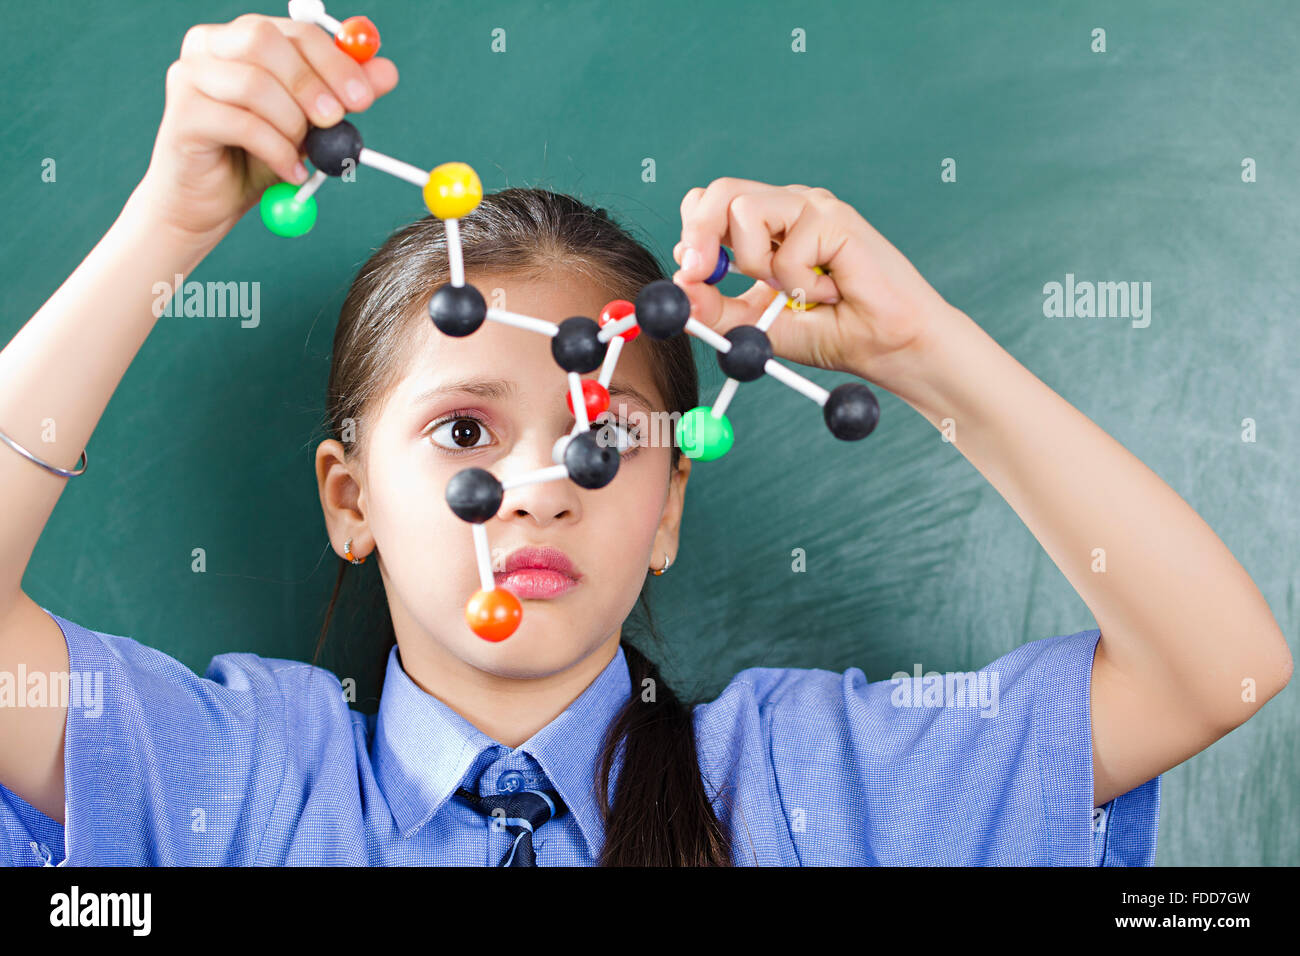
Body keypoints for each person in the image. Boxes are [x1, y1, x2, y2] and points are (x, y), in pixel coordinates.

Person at [0, 13, 1289, 867]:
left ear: (668, 507)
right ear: (350, 499)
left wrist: (923, 352)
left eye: (605, 438)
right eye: (461, 428)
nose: (542, 490)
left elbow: (1217, 669)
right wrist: (163, 231)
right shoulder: (242, 785)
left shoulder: (804, 789)